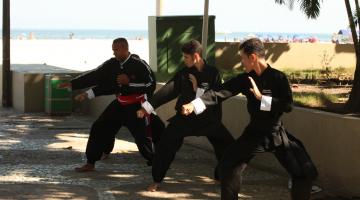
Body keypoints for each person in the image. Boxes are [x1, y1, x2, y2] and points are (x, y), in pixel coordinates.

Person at [182, 38, 318, 200]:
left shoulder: (278, 78)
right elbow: (220, 92)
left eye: (242, 58)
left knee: (303, 172)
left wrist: (261, 98)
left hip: (276, 134)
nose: (241, 62)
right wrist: (195, 104)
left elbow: (287, 106)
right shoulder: (245, 79)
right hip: (254, 133)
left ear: (253, 57)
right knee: (227, 165)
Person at [137, 39, 235, 192]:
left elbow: (213, 96)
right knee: (165, 145)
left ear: (196, 56)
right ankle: (157, 180)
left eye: (186, 57)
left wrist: (197, 88)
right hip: (185, 120)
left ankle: (220, 175)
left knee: (228, 145)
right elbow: (168, 91)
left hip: (208, 120)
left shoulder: (213, 73)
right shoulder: (184, 73)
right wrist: (147, 108)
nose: (184, 60)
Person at [58, 37, 165, 172]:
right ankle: (90, 162)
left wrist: (129, 83)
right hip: (120, 104)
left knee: (143, 135)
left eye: (116, 50)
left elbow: (151, 85)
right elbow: (95, 75)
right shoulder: (112, 64)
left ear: (125, 49)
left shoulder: (139, 64)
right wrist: (73, 83)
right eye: (113, 50)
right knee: (99, 126)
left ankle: (156, 162)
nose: (113, 53)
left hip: (137, 105)